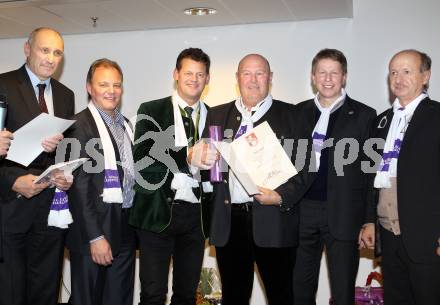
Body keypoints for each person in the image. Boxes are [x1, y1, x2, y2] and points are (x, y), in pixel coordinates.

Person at [193, 53, 297, 305]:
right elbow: (208, 170)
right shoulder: (217, 115)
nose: (253, 80)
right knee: (234, 297)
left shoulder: (292, 115)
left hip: (273, 220)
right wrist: (199, 161)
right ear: (237, 78)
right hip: (231, 222)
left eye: (259, 73)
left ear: (270, 78)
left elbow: (308, 168)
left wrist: (282, 196)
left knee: (281, 296)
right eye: (247, 73)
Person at [290, 49, 376, 305]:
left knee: (342, 293)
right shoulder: (297, 113)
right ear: (313, 77)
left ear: (344, 77)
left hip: (344, 214)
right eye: (322, 73)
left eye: (334, 73)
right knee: (300, 291)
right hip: (302, 213)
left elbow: (370, 172)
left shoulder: (364, 115)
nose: (328, 79)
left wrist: (369, 220)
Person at [129, 48, 212, 305]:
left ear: (208, 79)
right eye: (188, 72)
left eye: (200, 74)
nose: (194, 79)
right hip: (157, 213)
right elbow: (142, 157)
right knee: (153, 295)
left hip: (196, 218)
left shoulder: (216, 115)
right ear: (176, 74)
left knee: (187, 295)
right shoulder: (151, 110)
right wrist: (186, 157)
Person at [0, 27, 75, 305]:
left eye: (57, 53)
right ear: (27, 49)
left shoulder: (66, 96)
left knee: (46, 292)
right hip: (11, 208)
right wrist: (11, 181)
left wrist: (67, 176)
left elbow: (65, 152)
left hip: (51, 212)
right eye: (45, 50)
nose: (51, 58)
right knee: (10, 293)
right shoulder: (3, 85)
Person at [366, 49, 440, 305]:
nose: (398, 78)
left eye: (407, 71)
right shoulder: (381, 121)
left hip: (427, 238)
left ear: (425, 76)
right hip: (388, 235)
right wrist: (369, 221)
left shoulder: (436, 116)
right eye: (393, 72)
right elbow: (370, 178)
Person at [63, 58, 136, 305]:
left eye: (117, 85)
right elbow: (78, 187)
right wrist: (95, 237)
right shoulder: (76, 126)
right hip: (93, 231)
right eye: (104, 84)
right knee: (89, 299)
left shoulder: (126, 125)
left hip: (124, 225)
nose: (111, 91)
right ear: (89, 88)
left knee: (119, 298)